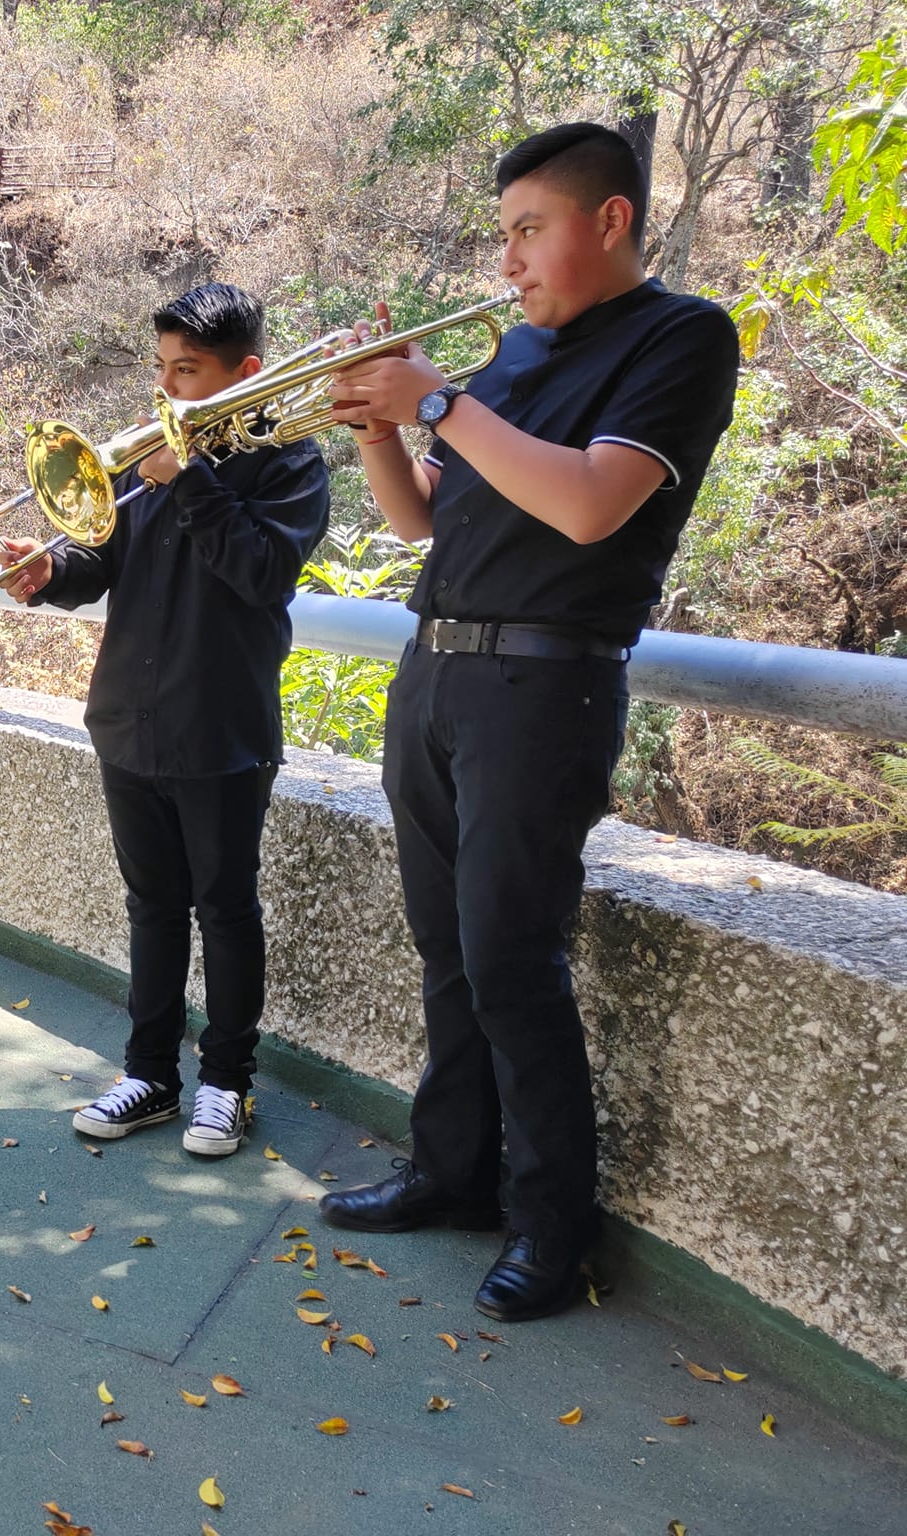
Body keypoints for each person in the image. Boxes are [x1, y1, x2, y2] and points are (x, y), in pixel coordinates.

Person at [320, 122, 741, 1321]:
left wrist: (438, 395)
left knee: (510, 957)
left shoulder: (679, 337)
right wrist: (379, 427)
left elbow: (589, 506)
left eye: (526, 231)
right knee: (445, 950)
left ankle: (552, 1228)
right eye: (501, 233)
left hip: (543, 685)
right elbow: (417, 522)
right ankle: (450, 1173)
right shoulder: (511, 358)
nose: (505, 259)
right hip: (437, 672)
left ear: (606, 222)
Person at [0, 283, 330, 1156]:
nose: (167, 390)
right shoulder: (147, 464)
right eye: (162, 369)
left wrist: (192, 483)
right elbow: (99, 560)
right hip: (127, 721)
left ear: (244, 373)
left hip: (221, 728)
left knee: (225, 910)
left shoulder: (291, 464)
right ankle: (148, 1072)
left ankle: (227, 1083)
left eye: (187, 372)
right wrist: (47, 574)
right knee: (151, 907)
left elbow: (261, 572)